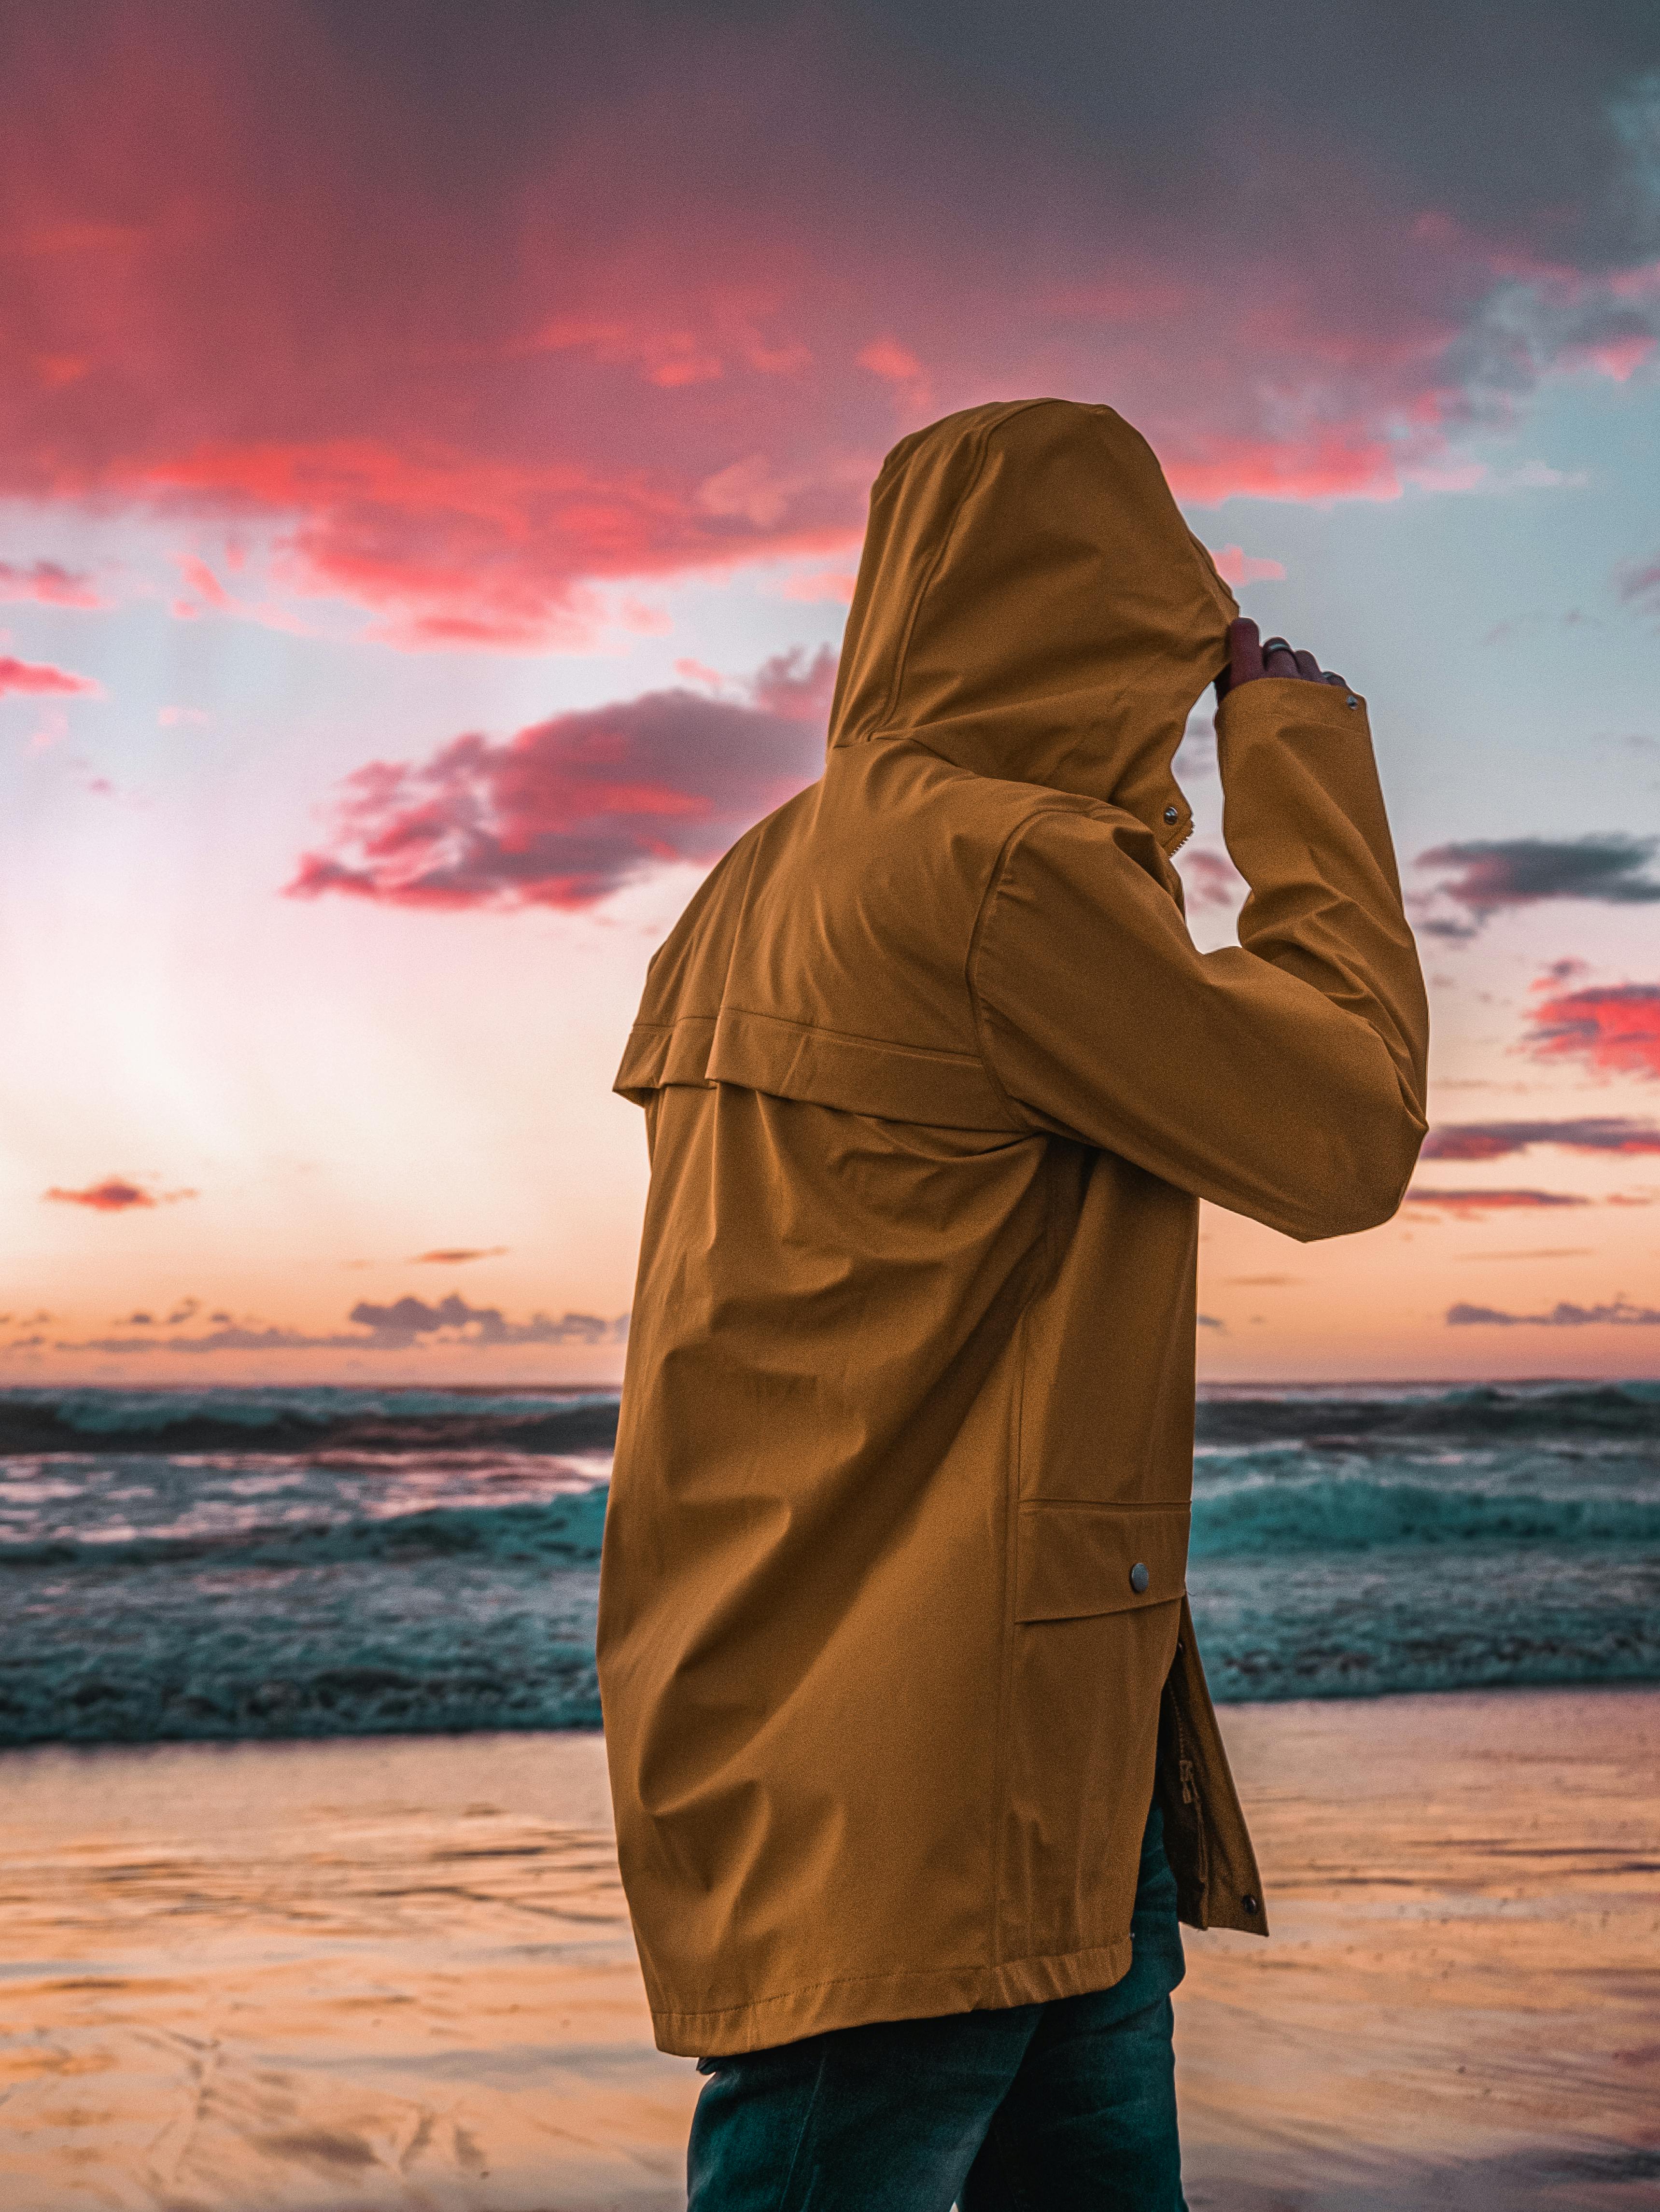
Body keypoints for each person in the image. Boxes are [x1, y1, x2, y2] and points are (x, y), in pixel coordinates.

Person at [596, 397, 1429, 2207]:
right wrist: (1290, 749)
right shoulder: (998, 875)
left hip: (891, 1714)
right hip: (942, 1758)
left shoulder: (766, 875)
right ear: (1111, 613)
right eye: (1168, 602)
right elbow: (1347, 1131)